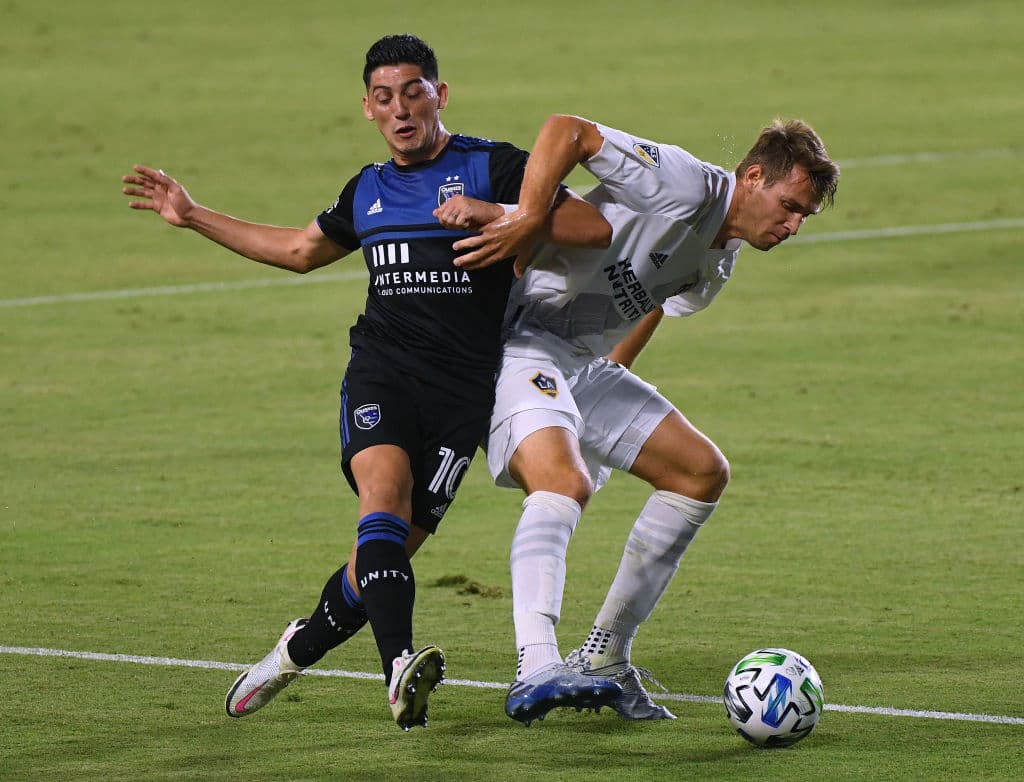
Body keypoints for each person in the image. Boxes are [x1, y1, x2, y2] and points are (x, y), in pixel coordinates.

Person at [120, 37, 617, 731]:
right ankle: (399, 672)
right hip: (382, 368)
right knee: (381, 498)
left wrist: (499, 214)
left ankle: (294, 650)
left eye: (414, 91)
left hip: (462, 393)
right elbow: (299, 251)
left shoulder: (493, 165)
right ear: (367, 109)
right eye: (384, 98)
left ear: (440, 95)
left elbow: (593, 229)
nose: (400, 109)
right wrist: (193, 214)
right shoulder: (369, 189)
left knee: (372, 571)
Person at [440, 114, 840, 724]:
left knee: (700, 472)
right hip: (517, 339)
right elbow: (566, 131)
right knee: (564, 484)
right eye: (788, 206)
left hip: (578, 362)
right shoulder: (686, 187)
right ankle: (536, 664)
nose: (791, 225)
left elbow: (652, 300)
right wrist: (524, 217)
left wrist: (594, 405)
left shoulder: (720, 262)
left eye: (803, 218)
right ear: (753, 177)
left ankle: (605, 656)